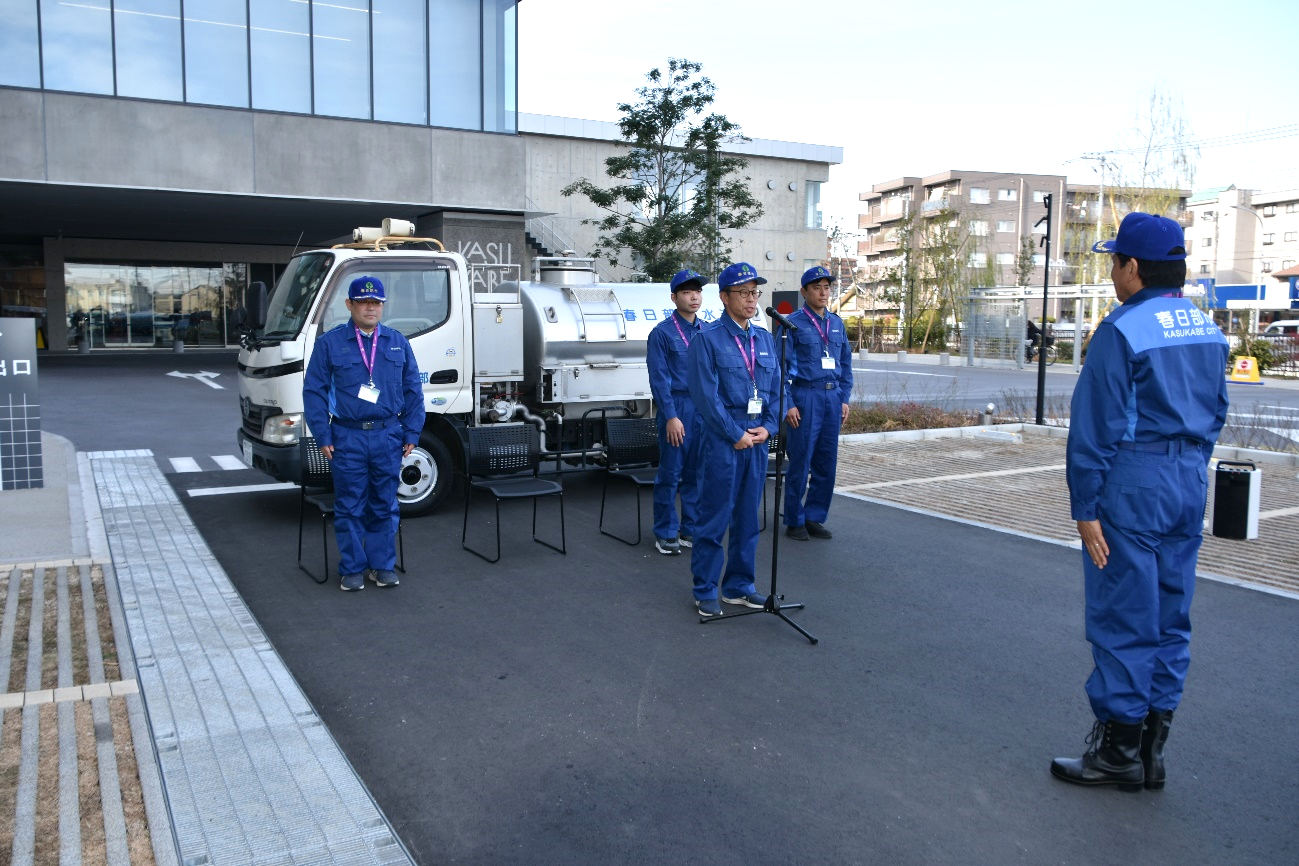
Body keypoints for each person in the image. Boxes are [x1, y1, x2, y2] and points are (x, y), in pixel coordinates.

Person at [1051, 213, 1229, 791]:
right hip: (1187, 480)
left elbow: (1095, 426)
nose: (1111, 273)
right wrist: (1187, 466)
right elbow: (1218, 410)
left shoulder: (1122, 328)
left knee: (1124, 613)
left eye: (1114, 262)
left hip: (1135, 481)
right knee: (1172, 615)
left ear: (1133, 267)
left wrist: (1084, 507)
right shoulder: (1205, 328)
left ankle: (1118, 752)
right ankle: (1153, 751)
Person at [302, 275, 426, 592]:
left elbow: (413, 390)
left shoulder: (397, 342)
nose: (370, 308)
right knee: (350, 505)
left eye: (376, 303)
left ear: (382, 306)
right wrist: (322, 434)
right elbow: (313, 392)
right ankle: (352, 568)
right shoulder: (329, 344)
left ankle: (382, 566)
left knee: (385, 505)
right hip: (347, 436)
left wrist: (412, 431)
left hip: (388, 435)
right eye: (363, 302)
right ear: (350, 304)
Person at [686, 263, 781, 618]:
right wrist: (734, 434)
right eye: (744, 293)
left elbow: (777, 390)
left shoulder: (765, 339)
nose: (751, 299)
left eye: (755, 292)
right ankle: (705, 589)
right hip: (723, 440)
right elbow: (705, 396)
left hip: (756, 438)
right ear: (724, 297)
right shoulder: (707, 338)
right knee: (713, 517)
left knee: (747, 518)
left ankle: (739, 586)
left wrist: (769, 427)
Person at [783, 266, 854, 540]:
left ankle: (814, 516)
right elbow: (780, 368)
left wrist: (844, 397)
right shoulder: (792, 324)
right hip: (805, 396)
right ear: (804, 292)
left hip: (832, 398)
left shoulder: (836, 323)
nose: (823, 293)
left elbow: (845, 363)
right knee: (801, 461)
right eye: (816, 288)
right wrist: (788, 403)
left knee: (826, 462)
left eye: (827, 287)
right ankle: (794, 520)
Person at [646, 269, 706, 555]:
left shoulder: (708, 331)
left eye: (697, 291)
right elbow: (659, 379)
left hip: (703, 408)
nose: (694, 297)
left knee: (697, 473)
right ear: (674, 297)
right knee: (671, 473)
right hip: (677, 407)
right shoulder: (662, 333)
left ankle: (690, 528)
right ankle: (666, 531)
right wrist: (670, 416)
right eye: (686, 292)